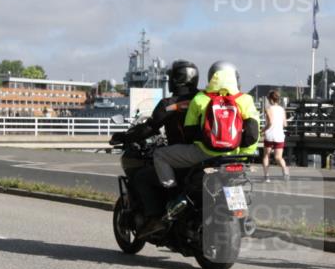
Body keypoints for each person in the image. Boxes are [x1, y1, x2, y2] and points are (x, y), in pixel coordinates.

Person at [153, 61, 260, 213]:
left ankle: (175, 197)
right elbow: (253, 134)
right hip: (235, 156)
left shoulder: (200, 98)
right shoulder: (245, 99)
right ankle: (241, 215)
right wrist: (242, 155)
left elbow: (189, 133)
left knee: (160, 155)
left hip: (205, 154)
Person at [112, 60, 200, 220]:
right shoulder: (205, 99)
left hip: (182, 159)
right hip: (207, 157)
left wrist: (124, 137)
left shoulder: (170, 104)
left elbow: (149, 128)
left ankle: (155, 219)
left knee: (142, 177)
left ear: (176, 79)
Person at [261, 90, 289, 182]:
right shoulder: (282, 109)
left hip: (269, 135)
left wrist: (262, 130)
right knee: (278, 157)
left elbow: (270, 123)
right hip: (279, 135)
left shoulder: (268, 109)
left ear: (270, 99)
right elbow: (285, 124)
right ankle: (285, 171)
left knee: (266, 156)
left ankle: (266, 176)